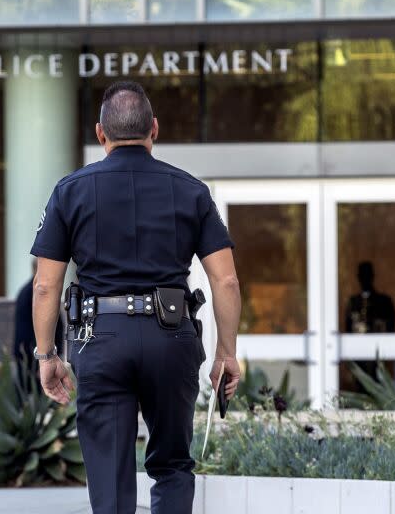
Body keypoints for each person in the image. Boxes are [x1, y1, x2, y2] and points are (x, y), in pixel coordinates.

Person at [30, 81, 241, 514]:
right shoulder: (191, 190)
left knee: (109, 476)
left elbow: (45, 285)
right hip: (172, 337)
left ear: (101, 134)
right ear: (155, 130)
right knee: (173, 464)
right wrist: (226, 353)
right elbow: (227, 282)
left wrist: (47, 355)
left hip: (100, 338)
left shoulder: (70, 191)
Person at [13, 259, 64, 374]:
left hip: (30, 355)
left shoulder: (26, 291)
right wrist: (43, 358)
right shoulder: (38, 293)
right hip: (34, 357)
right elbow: (33, 328)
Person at [345, 261, 395, 334]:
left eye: (367, 275)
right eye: (362, 276)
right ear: (359, 277)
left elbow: (390, 328)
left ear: (372, 276)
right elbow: (349, 329)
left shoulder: (384, 302)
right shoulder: (353, 302)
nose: (364, 279)